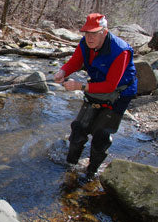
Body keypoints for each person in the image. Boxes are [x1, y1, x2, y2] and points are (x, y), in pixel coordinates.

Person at [54, 13, 137, 181]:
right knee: (78, 128)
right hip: (96, 87)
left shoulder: (121, 50)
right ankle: (70, 167)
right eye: (86, 33)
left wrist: (80, 86)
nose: (89, 37)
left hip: (119, 94)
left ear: (104, 32)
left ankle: (90, 174)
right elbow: (76, 61)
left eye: (94, 33)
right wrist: (63, 71)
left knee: (100, 136)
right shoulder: (85, 43)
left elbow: (110, 86)